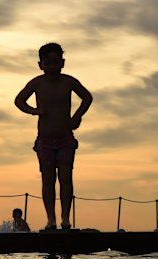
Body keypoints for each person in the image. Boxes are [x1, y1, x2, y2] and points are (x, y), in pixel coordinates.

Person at [14, 43, 93, 230]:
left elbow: (87, 97)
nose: (52, 66)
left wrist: (77, 116)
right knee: (48, 179)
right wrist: (34, 111)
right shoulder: (37, 83)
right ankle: (51, 219)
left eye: (55, 62)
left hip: (65, 138)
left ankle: (66, 218)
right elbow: (18, 100)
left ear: (62, 63)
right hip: (45, 140)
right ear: (40, 64)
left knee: (66, 177)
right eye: (47, 63)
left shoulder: (68, 81)